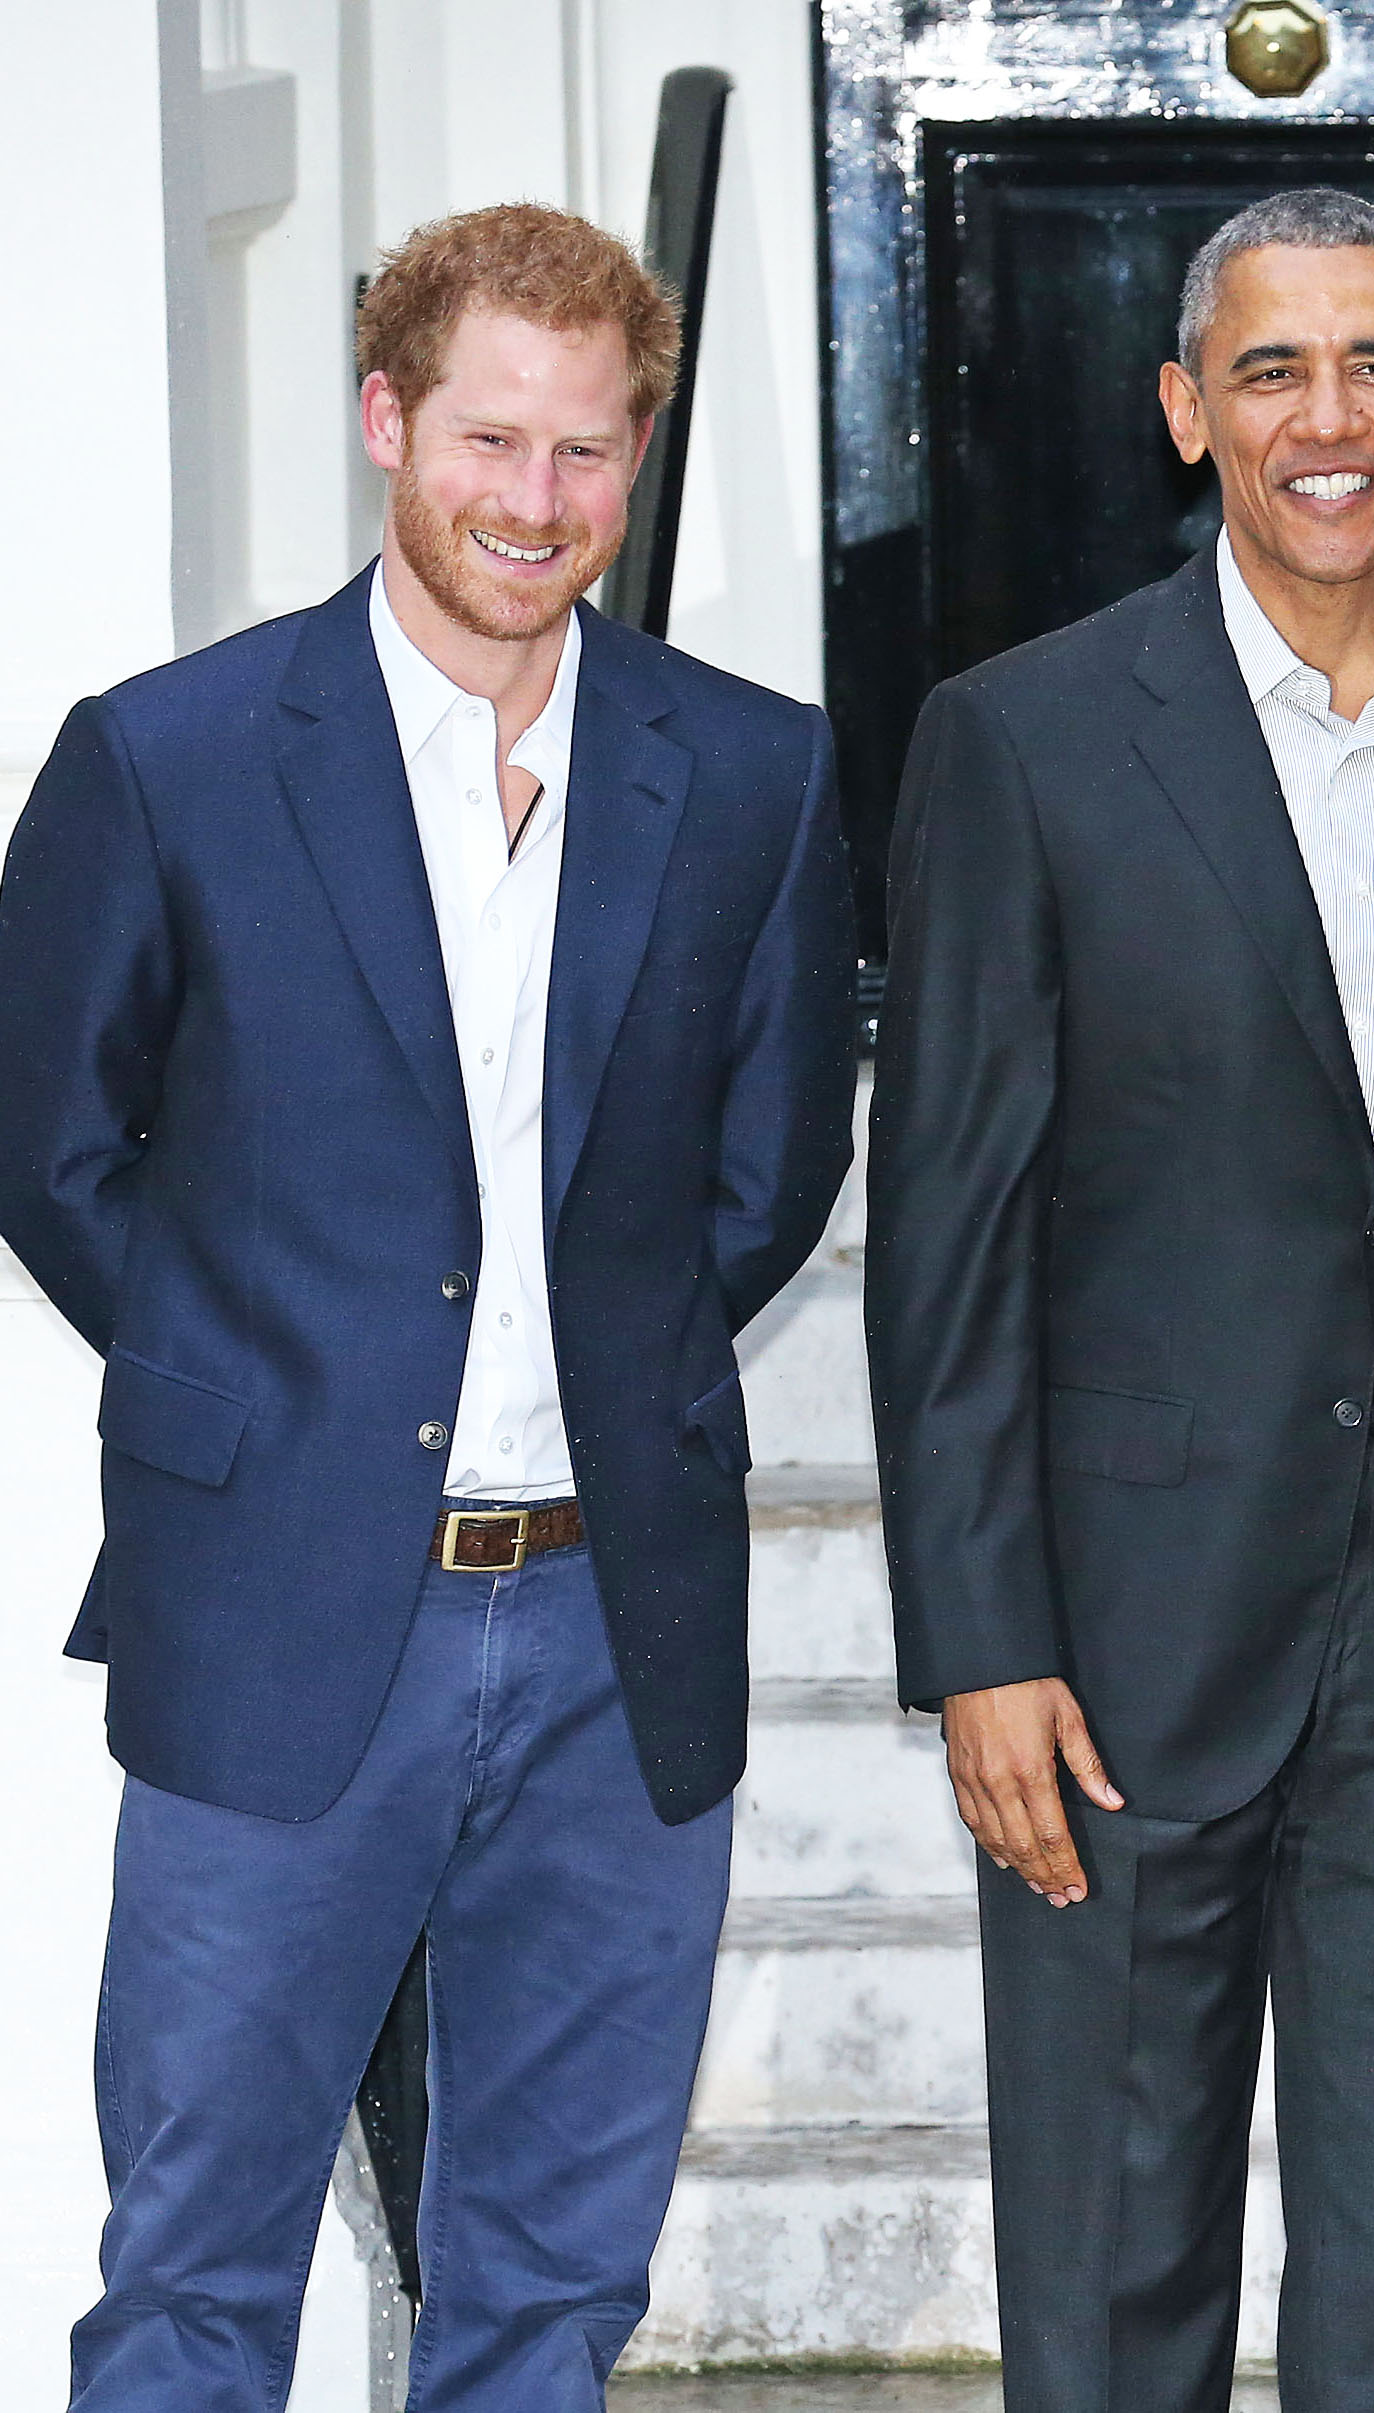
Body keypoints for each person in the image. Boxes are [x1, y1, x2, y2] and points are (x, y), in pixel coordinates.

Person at [0, 203, 857, 2408]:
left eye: (587, 454)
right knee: (195, 2280)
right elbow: (49, 1147)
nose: (534, 502)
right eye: (491, 437)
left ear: (634, 462)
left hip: (612, 1630)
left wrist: (618, 1375)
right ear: (388, 422)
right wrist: (261, 1386)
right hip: (278, 1613)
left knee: (552, 2293)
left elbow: (770, 1173)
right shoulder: (168, 757)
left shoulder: (747, 772)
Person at [867, 188, 1374, 2413]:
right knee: (1116, 2277)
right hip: (1121, 1616)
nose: (1331, 418)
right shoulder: (1022, 737)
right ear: (1184, 411)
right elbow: (945, 1230)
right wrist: (979, 1642)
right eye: (1275, 369)